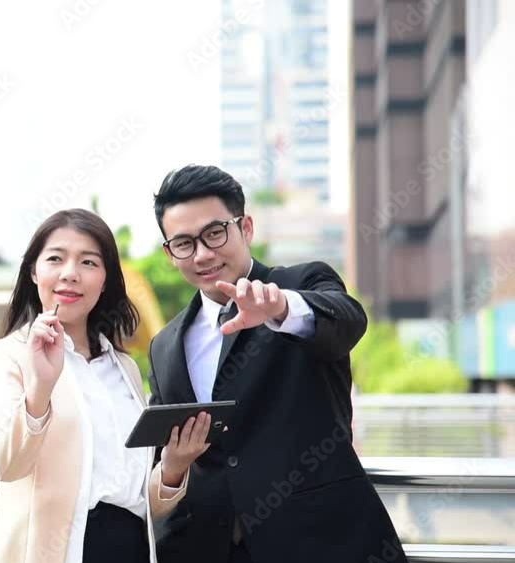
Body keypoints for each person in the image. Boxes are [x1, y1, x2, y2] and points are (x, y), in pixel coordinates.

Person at [147, 165, 409, 563]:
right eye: (184, 243)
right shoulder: (165, 345)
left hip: (322, 542)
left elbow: (348, 321)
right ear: (169, 253)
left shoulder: (301, 285)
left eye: (215, 233)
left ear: (246, 228)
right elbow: (164, 460)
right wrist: (172, 469)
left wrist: (282, 308)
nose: (202, 254)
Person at [0, 208, 212, 563]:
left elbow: (136, 502)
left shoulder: (124, 368)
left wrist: (174, 466)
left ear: (105, 281)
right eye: (55, 259)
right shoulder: (10, 355)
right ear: (33, 271)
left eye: (89, 262)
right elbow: (6, 466)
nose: (70, 273)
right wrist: (40, 387)